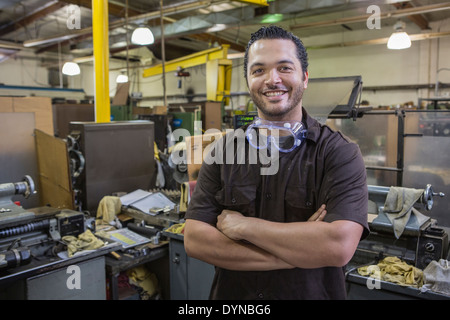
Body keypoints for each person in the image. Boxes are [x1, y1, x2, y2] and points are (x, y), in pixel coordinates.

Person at [183, 25, 369, 300]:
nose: (272, 79)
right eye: (258, 70)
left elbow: (338, 245)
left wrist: (244, 227)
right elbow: (195, 240)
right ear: (248, 80)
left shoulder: (339, 153)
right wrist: (300, 253)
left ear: (304, 77)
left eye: (284, 68)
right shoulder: (223, 151)